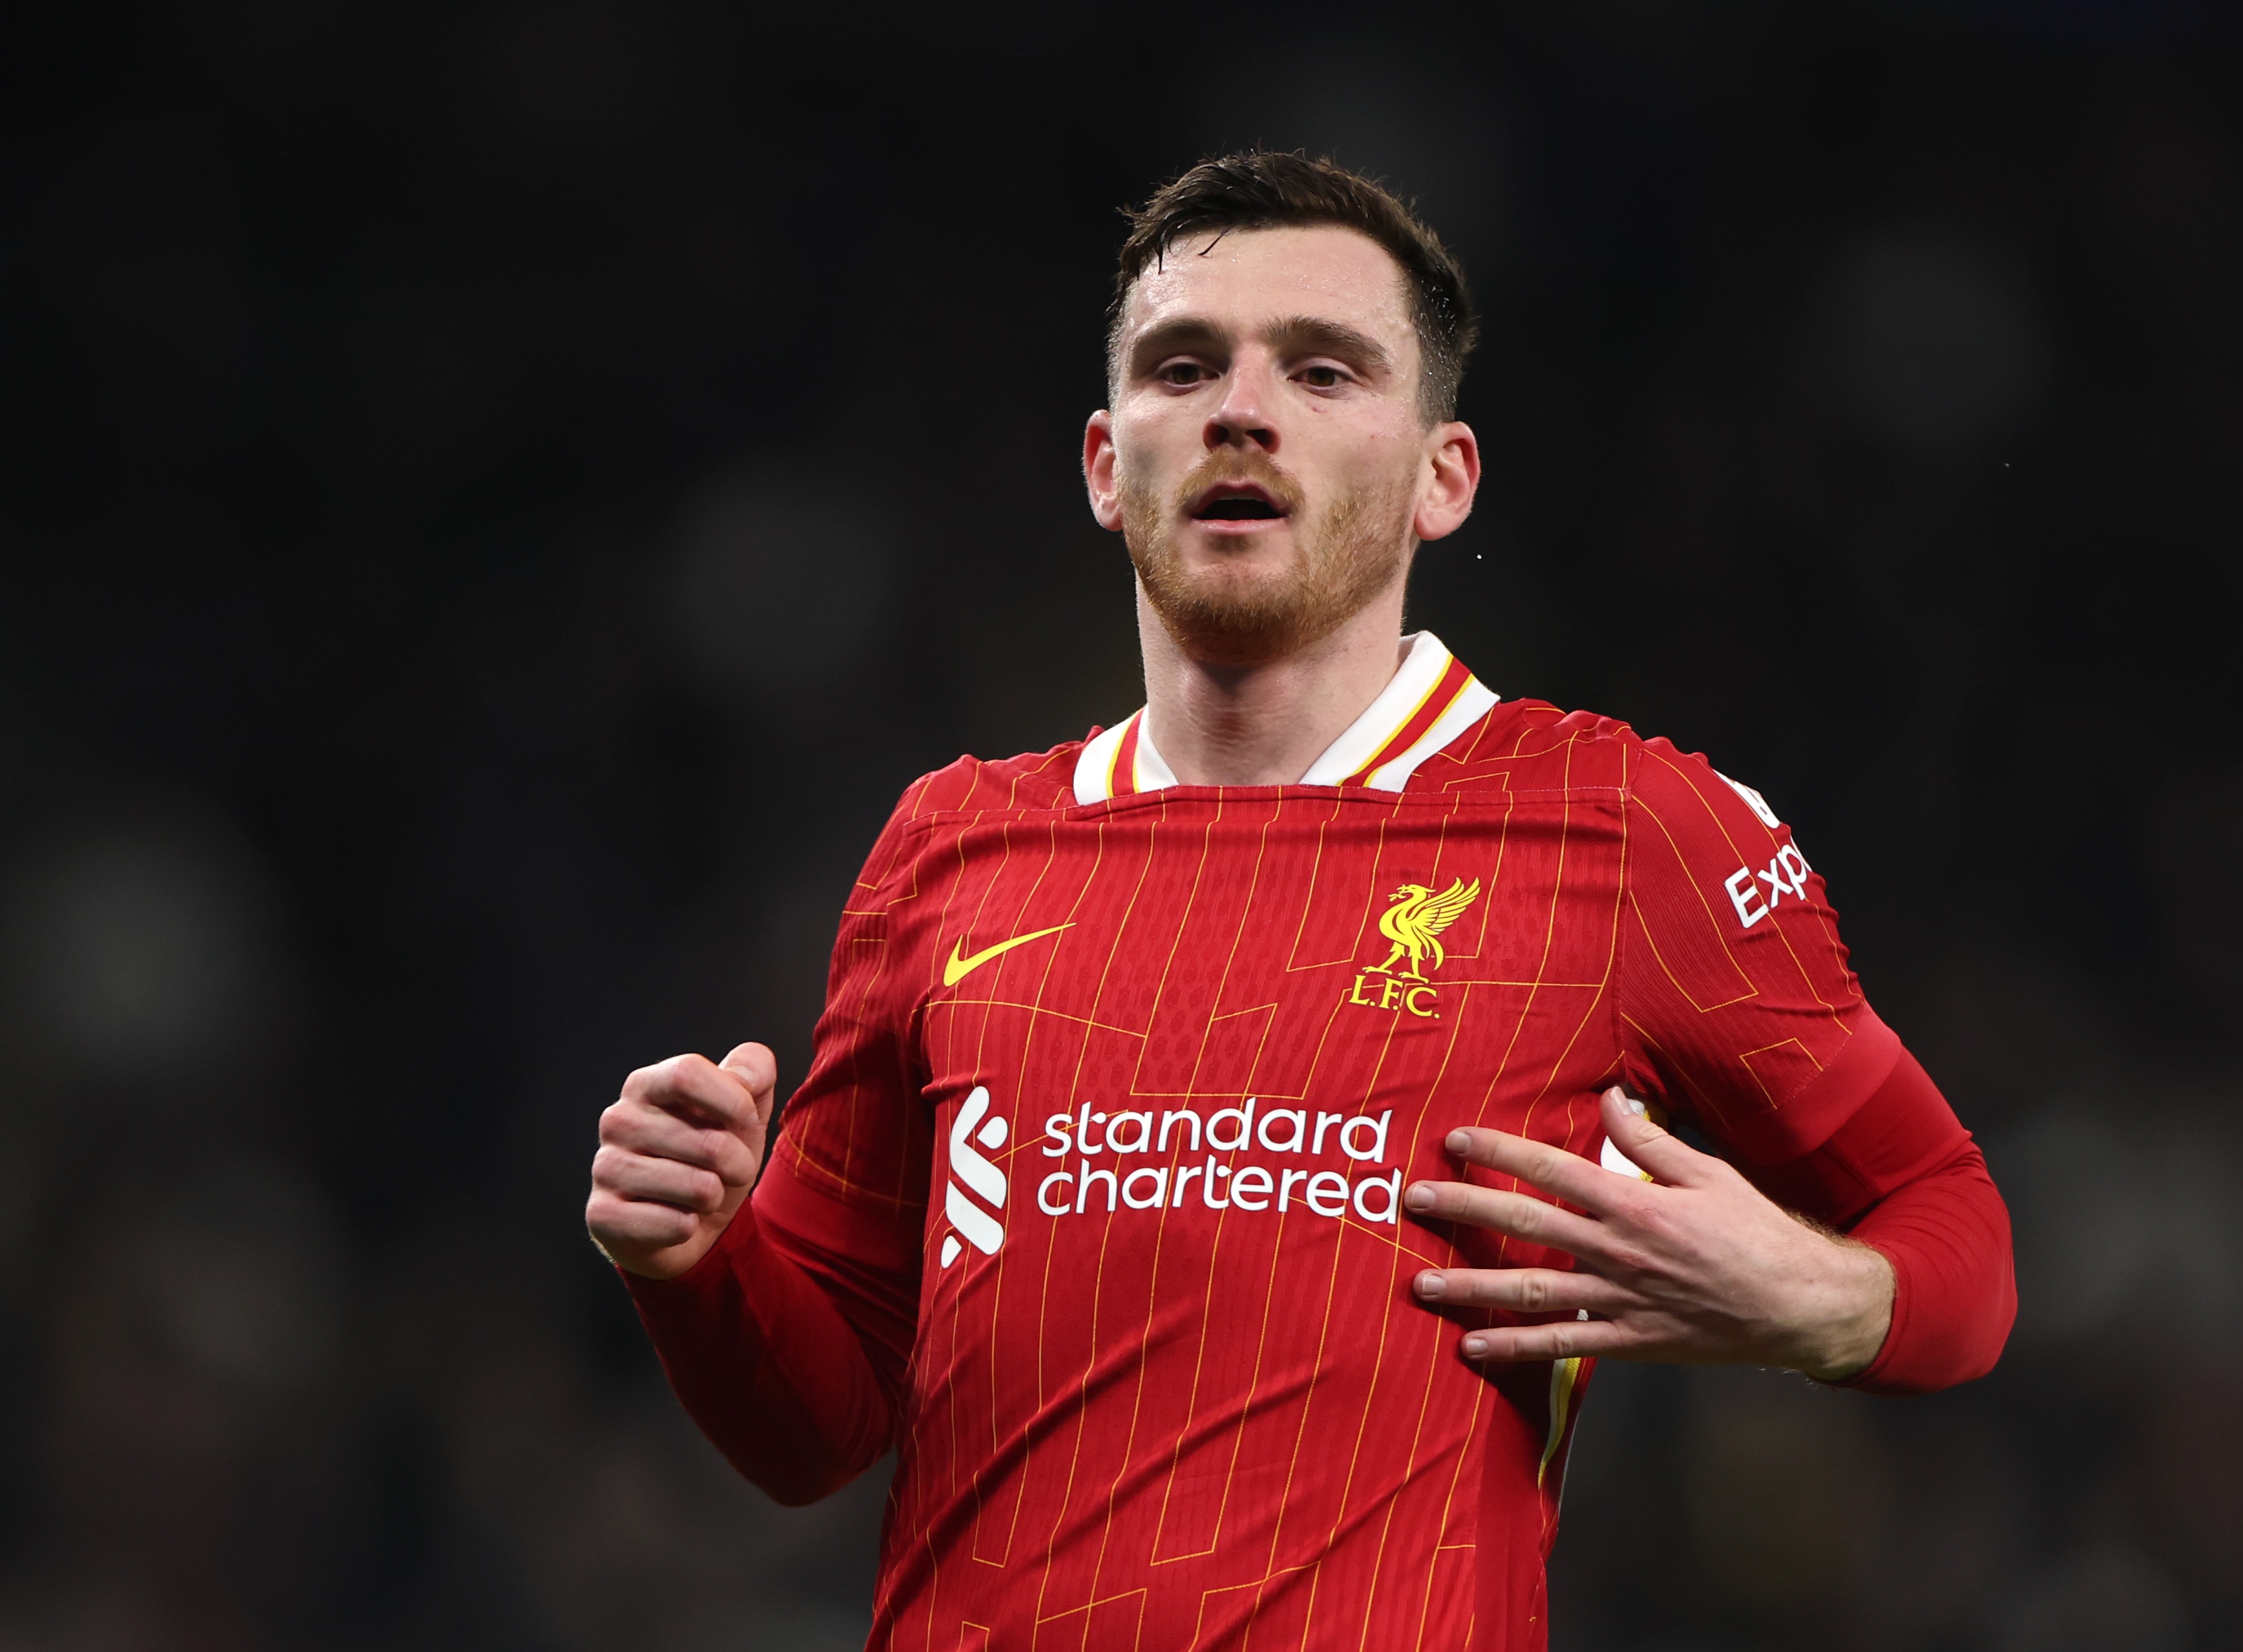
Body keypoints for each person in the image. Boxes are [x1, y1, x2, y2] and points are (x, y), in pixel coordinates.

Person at [585, 151, 2015, 1651]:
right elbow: (819, 1425)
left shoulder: (1617, 828)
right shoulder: (949, 845)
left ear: (1437, 477)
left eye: (1322, 371)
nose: (1238, 409)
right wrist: (696, 1259)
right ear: (1101, 462)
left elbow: (1955, 1235)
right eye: (1182, 365)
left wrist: (1826, 1304)